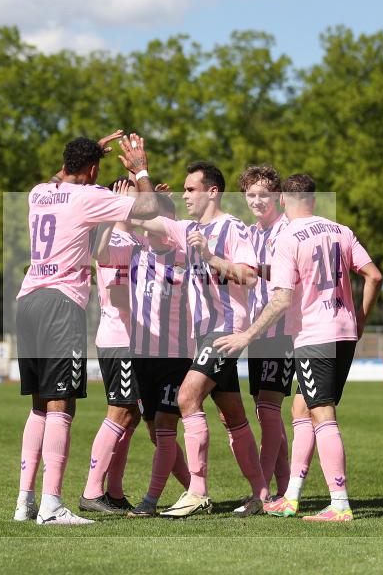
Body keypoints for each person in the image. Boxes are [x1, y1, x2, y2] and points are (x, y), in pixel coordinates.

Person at [215, 174, 383, 522]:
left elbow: (282, 299)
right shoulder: (341, 230)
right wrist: (361, 319)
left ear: (283, 201)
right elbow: (374, 276)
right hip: (344, 332)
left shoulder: (288, 237)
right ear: (314, 200)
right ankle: (290, 497)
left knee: (322, 413)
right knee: (301, 408)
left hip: (313, 335)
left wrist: (247, 335)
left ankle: (339, 504)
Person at [14, 132, 158, 526]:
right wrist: (140, 169)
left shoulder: (39, 192)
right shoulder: (88, 197)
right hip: (61, 304)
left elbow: (61, 177)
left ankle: (25, 501)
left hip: (28, 300)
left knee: (39, 406)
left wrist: (87, 151)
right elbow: (147, 206)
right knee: (62, 405)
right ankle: (51, 505)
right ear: (93, 170)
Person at [135, 161, 267, 518]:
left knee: (187, 396)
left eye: (191, 189)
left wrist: (209, 256)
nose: (185, 195)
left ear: (212, 191)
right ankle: (262, 493)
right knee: (232, 415)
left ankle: (197, 491)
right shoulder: (187, 229)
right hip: (205, 333)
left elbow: (250, 277)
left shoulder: (232, 227)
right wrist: (140, 175)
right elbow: (145, 220)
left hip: (225, 330)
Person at [100, 192, 193, 517]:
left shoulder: (187, 257)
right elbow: (102, 257)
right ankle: (196, 489)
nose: (155, 229)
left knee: (165, 428)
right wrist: (119, 210)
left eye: (162, 222)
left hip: (176, 357)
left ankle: (150, 502)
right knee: (154, 430)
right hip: (141, 357)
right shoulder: (135, 255)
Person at [79, 181, 141, 515]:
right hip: (119, 337)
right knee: (119, 410)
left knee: (132, 415)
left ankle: (115, 492)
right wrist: (111, 209)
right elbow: (98, 253)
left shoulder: (138, 238)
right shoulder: (112, 237)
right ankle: (91, 492)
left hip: (139, 340)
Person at [239, 164, 293, 499]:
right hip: (257, 331)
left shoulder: (288, 230)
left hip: (283, 330)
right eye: (251, 195)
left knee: (268, 409)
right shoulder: (249, 233)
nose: (257, 201)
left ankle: (259, 492)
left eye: (264, 194)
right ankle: (285, 490)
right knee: (266, 410)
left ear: (277, 196)